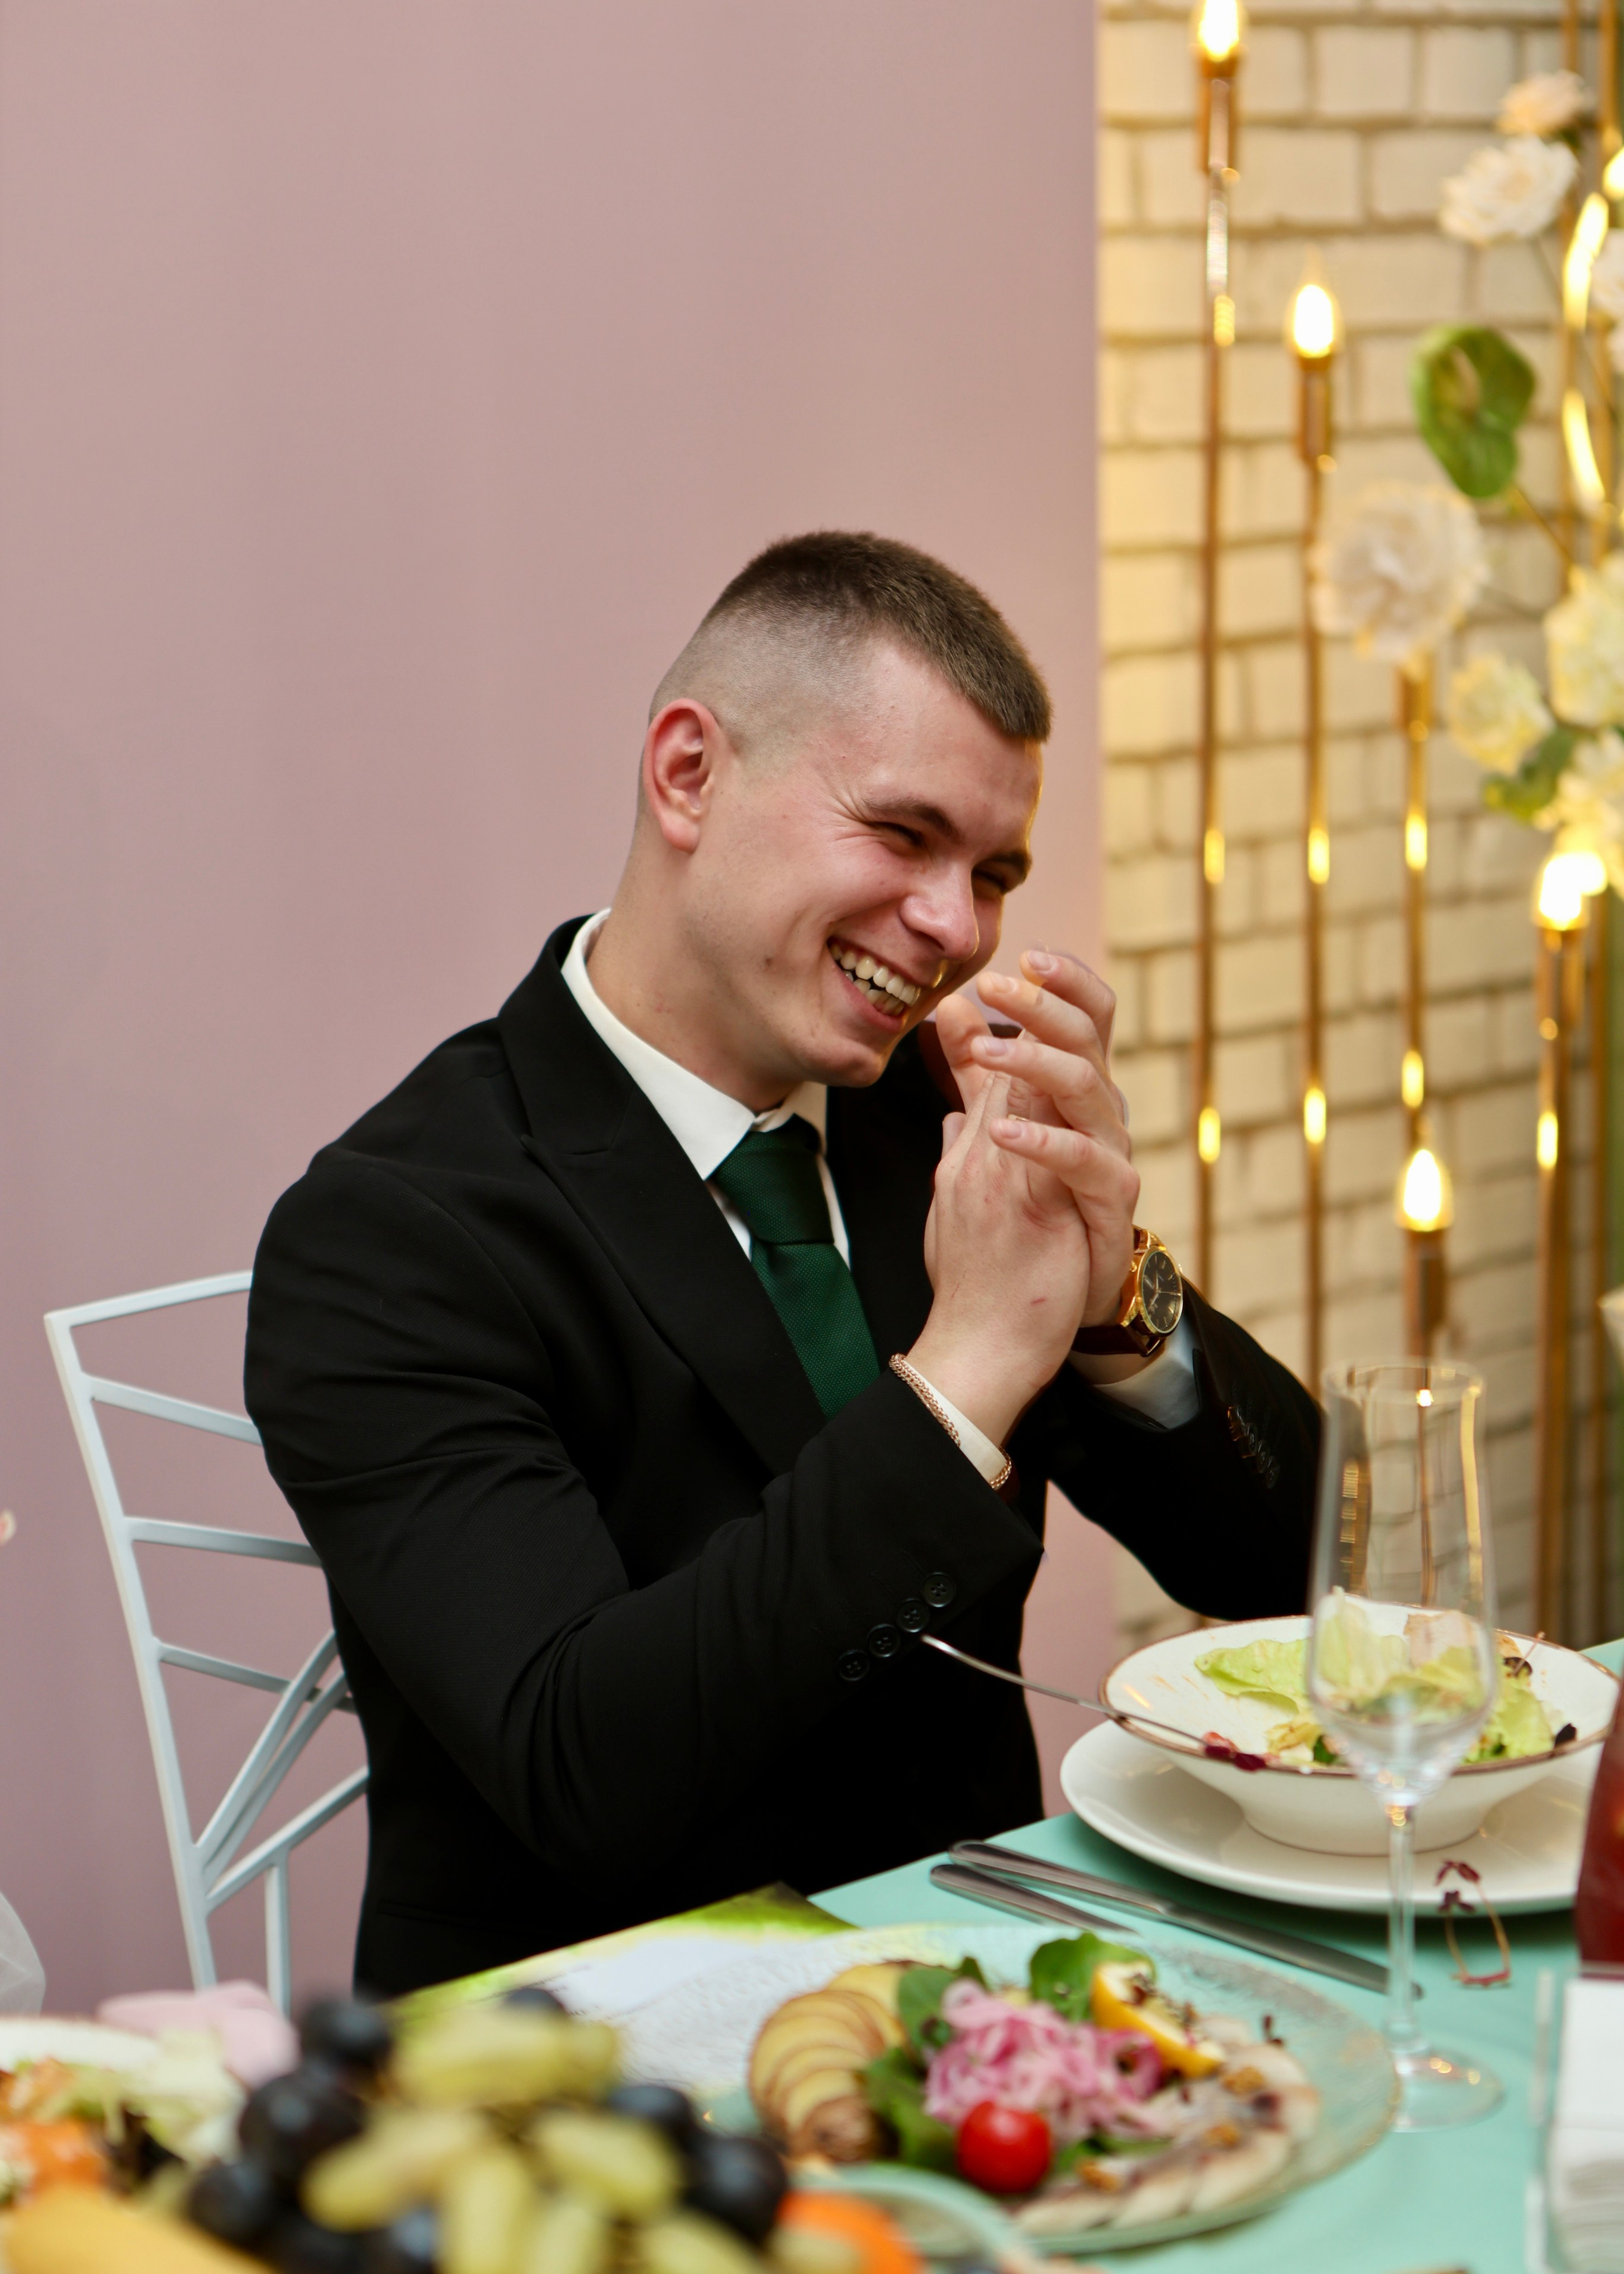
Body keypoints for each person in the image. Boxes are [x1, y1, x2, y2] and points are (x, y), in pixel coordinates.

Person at [246, 532, 1319, 1997]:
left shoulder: (935, 1120)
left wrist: (1114, 1289)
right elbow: (583, 1770)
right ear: (688, 774)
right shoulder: (390, 1235)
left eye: (992, 870)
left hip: (986, 1982)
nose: (956, 927)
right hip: (589, 2051)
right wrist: (965, 1372)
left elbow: (1300, 1571)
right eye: (901, 835)